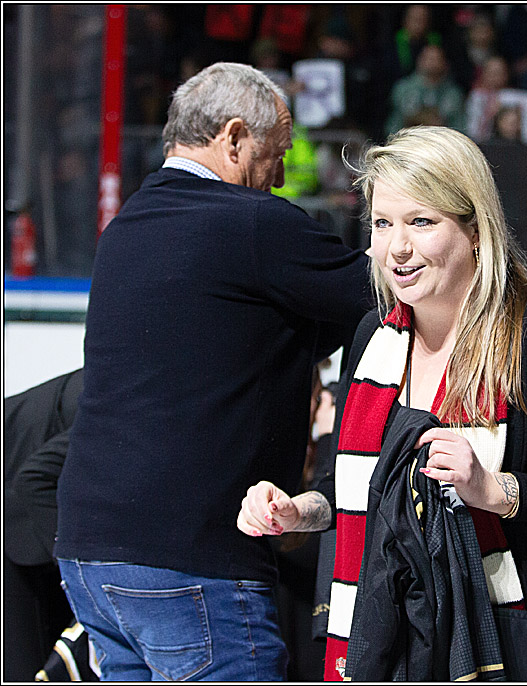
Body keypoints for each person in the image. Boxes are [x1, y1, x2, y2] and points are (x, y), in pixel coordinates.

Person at [237, 125, 527, 681]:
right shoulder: (372, 337)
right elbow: (350, 486)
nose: (397, 247)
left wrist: (495, 491)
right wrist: (300, 511)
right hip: (381, 637)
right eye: (382, 223)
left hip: (510, 640)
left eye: (421, 222)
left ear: (474, 229)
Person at [54, 62, 373, 681]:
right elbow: (390, 292)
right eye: (275, 153)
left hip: (90, 556)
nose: (281, 175)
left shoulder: (125, 229)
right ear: (232, 138)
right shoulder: (254, 225)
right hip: (192, 562)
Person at [4, 369, 84, 681]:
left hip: (39, 517)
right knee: (22, 667)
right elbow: (33, 480)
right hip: (16, 522)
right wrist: (81, 574)